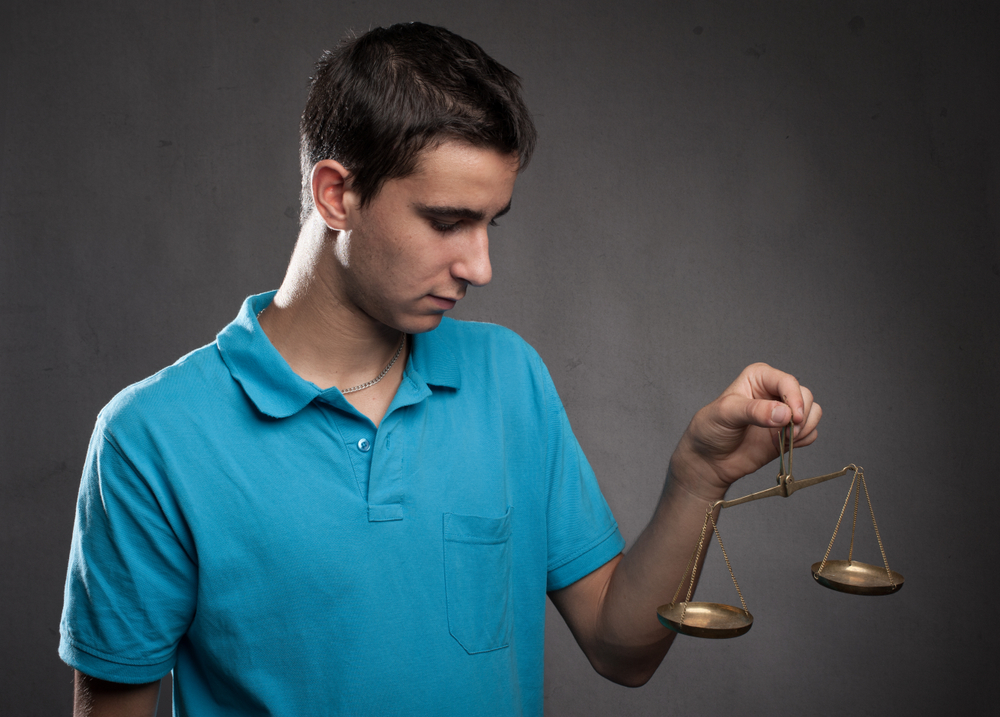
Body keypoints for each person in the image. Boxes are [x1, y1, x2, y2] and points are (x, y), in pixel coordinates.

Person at [60, 22, 821, 716]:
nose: (481, 265)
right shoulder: (151, 438)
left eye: (491, 223)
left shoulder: (509, 379)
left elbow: (623, 651)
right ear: (338, 194)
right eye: (448, 221)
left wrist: (697, 478)